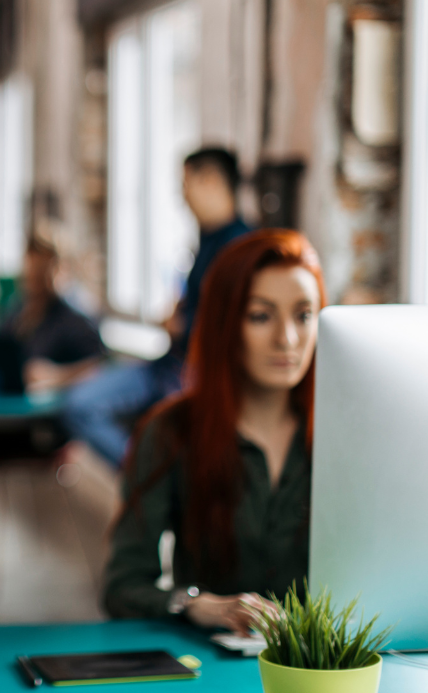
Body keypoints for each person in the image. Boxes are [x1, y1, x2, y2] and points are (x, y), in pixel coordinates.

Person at [102, 229, 326, 634]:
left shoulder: (341, 437)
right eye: (261, 315)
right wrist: (195, 605)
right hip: (211, 664)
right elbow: (123, 586)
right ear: (225, 323)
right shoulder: (171, 431)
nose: (287, 339)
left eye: (304, 315)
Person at [62, 147, 252, 466]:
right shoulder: (206, 241)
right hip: (166, 366)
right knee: (81, 405)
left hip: (195, 379)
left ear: (210, 181)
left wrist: (184, 325)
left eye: (185, 184)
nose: (182, 196)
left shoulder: (242, 249)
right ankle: (145, 481)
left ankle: (151, 484)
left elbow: (235, 327)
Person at [6, 237, 104, 394]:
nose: (33, 279)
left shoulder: (76, 321)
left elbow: (99, 368)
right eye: (30, 273)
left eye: (40, 273)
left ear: (58, 270)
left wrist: (56, 377)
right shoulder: (17, 315)